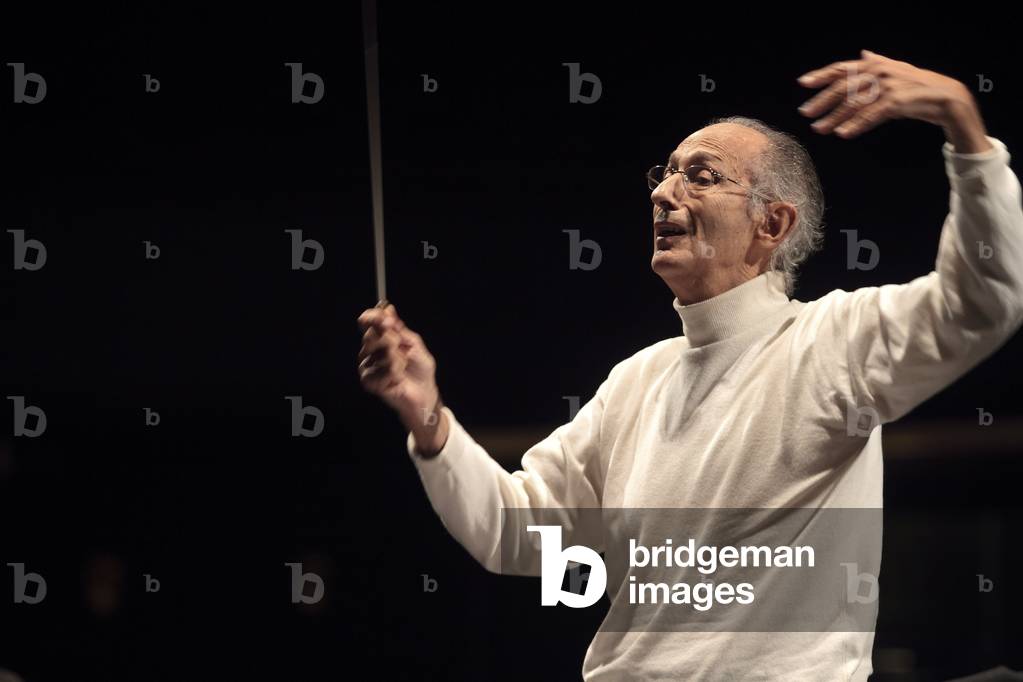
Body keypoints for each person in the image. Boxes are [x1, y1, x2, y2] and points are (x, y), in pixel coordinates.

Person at [357, 50, 1023, 680]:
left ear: (772, 225)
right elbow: (512, 531)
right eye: (665, 174)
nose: (664, 193)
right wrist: (427, 414)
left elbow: (981, 304)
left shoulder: (829, 344)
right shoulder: (635, 381)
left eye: (700, 176)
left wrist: (965, 131)